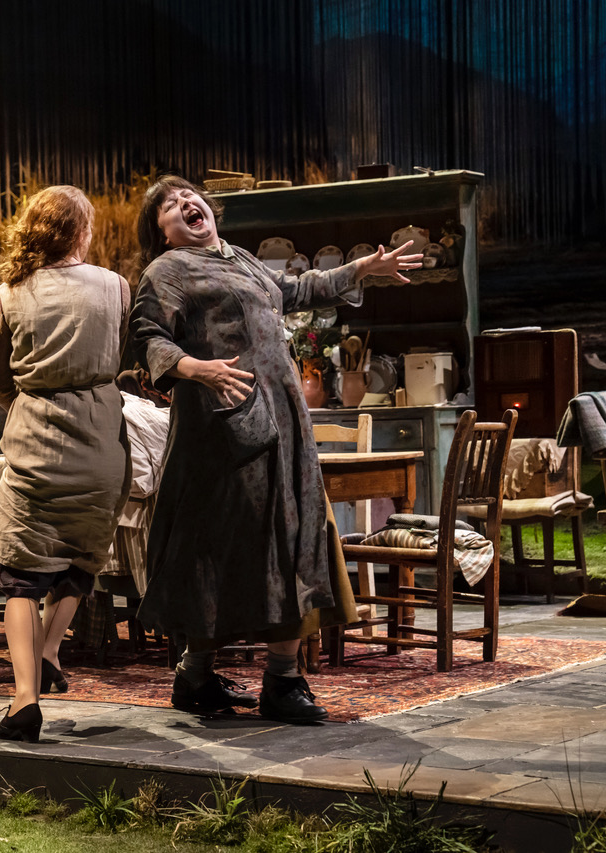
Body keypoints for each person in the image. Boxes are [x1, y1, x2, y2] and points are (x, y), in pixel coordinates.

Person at [129, 175, 422, 723]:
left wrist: (361, 269)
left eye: (189, 195)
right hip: (221, 434)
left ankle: (278, 680)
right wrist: (196, 368)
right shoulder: (166, 271)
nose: (187, 203)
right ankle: (198, 676)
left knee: (289, 539)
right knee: (219, 549)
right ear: (163, 233)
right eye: (170, 205)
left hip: (284, 423)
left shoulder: (239, 258)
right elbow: (147, 337)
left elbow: (296, 289)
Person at [0, 185, 132, 743]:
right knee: (79, 560)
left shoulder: (11, 291)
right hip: (100, 442)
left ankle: (24, 700)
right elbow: (125, 356)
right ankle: (48, 650)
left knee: (19, 574)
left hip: (37, 442)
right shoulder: (115, 287)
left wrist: (36, 404)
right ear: (82, 231)